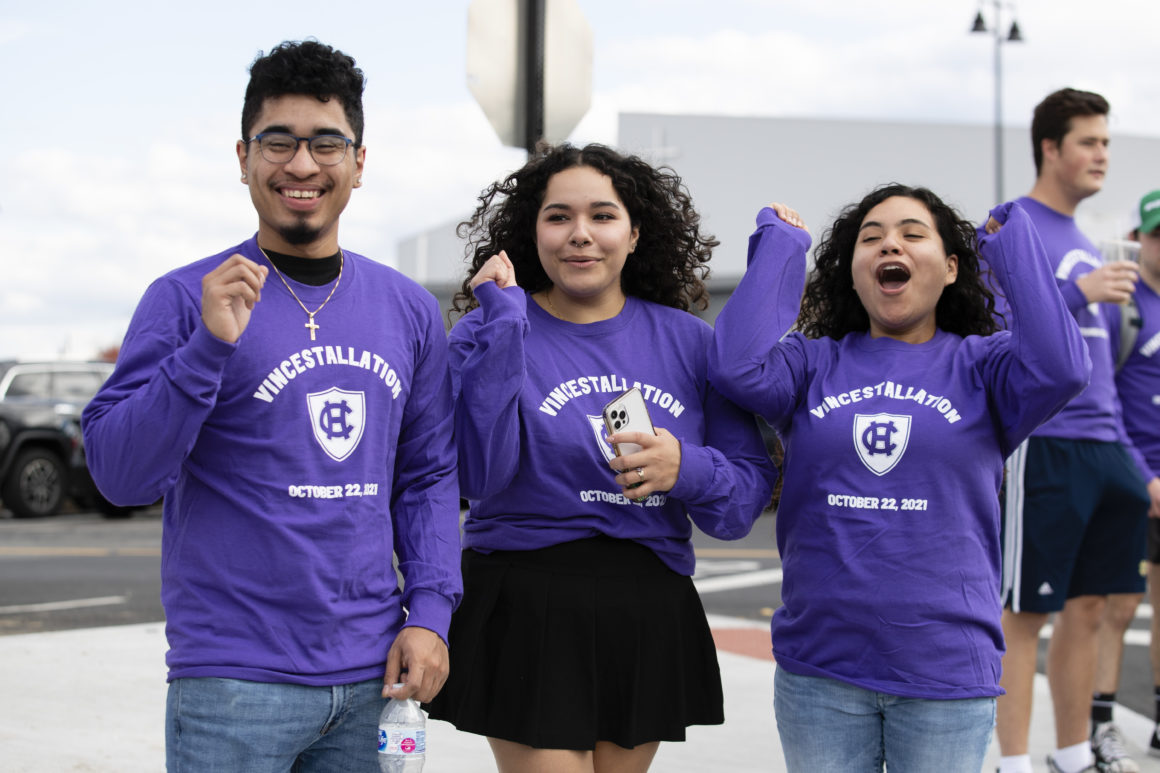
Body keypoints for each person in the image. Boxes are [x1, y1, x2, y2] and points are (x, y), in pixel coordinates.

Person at [81, 40, 461, 771]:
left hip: (373, 675)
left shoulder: (409, 310)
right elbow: (120, 475)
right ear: (243, 156)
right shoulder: (183, 298)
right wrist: (206, 351)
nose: (302, 164)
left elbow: (428, 477)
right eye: (277, 141)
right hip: (232, 682)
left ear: (358, 161)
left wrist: (433, 616)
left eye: (326, 142)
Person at [708, 184, 1089, 772]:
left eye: (914, 234)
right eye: (872, 237)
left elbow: (1062, 367)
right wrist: (781, 248)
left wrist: (1011, 245)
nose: (892, 244)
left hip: (945, 673)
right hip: (821, 671)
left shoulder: (986, 367)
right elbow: (735, 364)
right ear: (854, 271)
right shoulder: (812, 364)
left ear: (951, 267)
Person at [422, 142, 778, 773]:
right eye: (558, 217)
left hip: (646, 601)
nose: (580, 235)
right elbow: (477, 476)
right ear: (532, 233)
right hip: (525, 595)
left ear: (635, 234)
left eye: (602, 217)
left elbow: (741, 505)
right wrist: (504, 328)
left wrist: (684, 468)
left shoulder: (692, 343)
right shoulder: (488, 327)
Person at [992, 88, 1152, 773]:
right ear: (1050, 148)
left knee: (1092, 605)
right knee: (1023, 612)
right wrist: (1075, 294)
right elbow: (991, 330)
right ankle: (1015, 760)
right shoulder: (1009, 226)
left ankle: (1073, 750)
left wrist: (1129, 457)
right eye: (1088, 141)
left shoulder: (1088, 241)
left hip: (1104, 444)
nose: (1102, 156)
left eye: (1107, 143)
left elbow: (1103, 365)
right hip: (1044, 442)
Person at [1088, 189, 1160, 769]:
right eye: (1158, 234)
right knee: (1115, 606)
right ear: (1140, 238)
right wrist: (1144, 477)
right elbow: (1101, 395)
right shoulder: (1122, 302)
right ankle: (1102, 722)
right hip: (1131, 477)